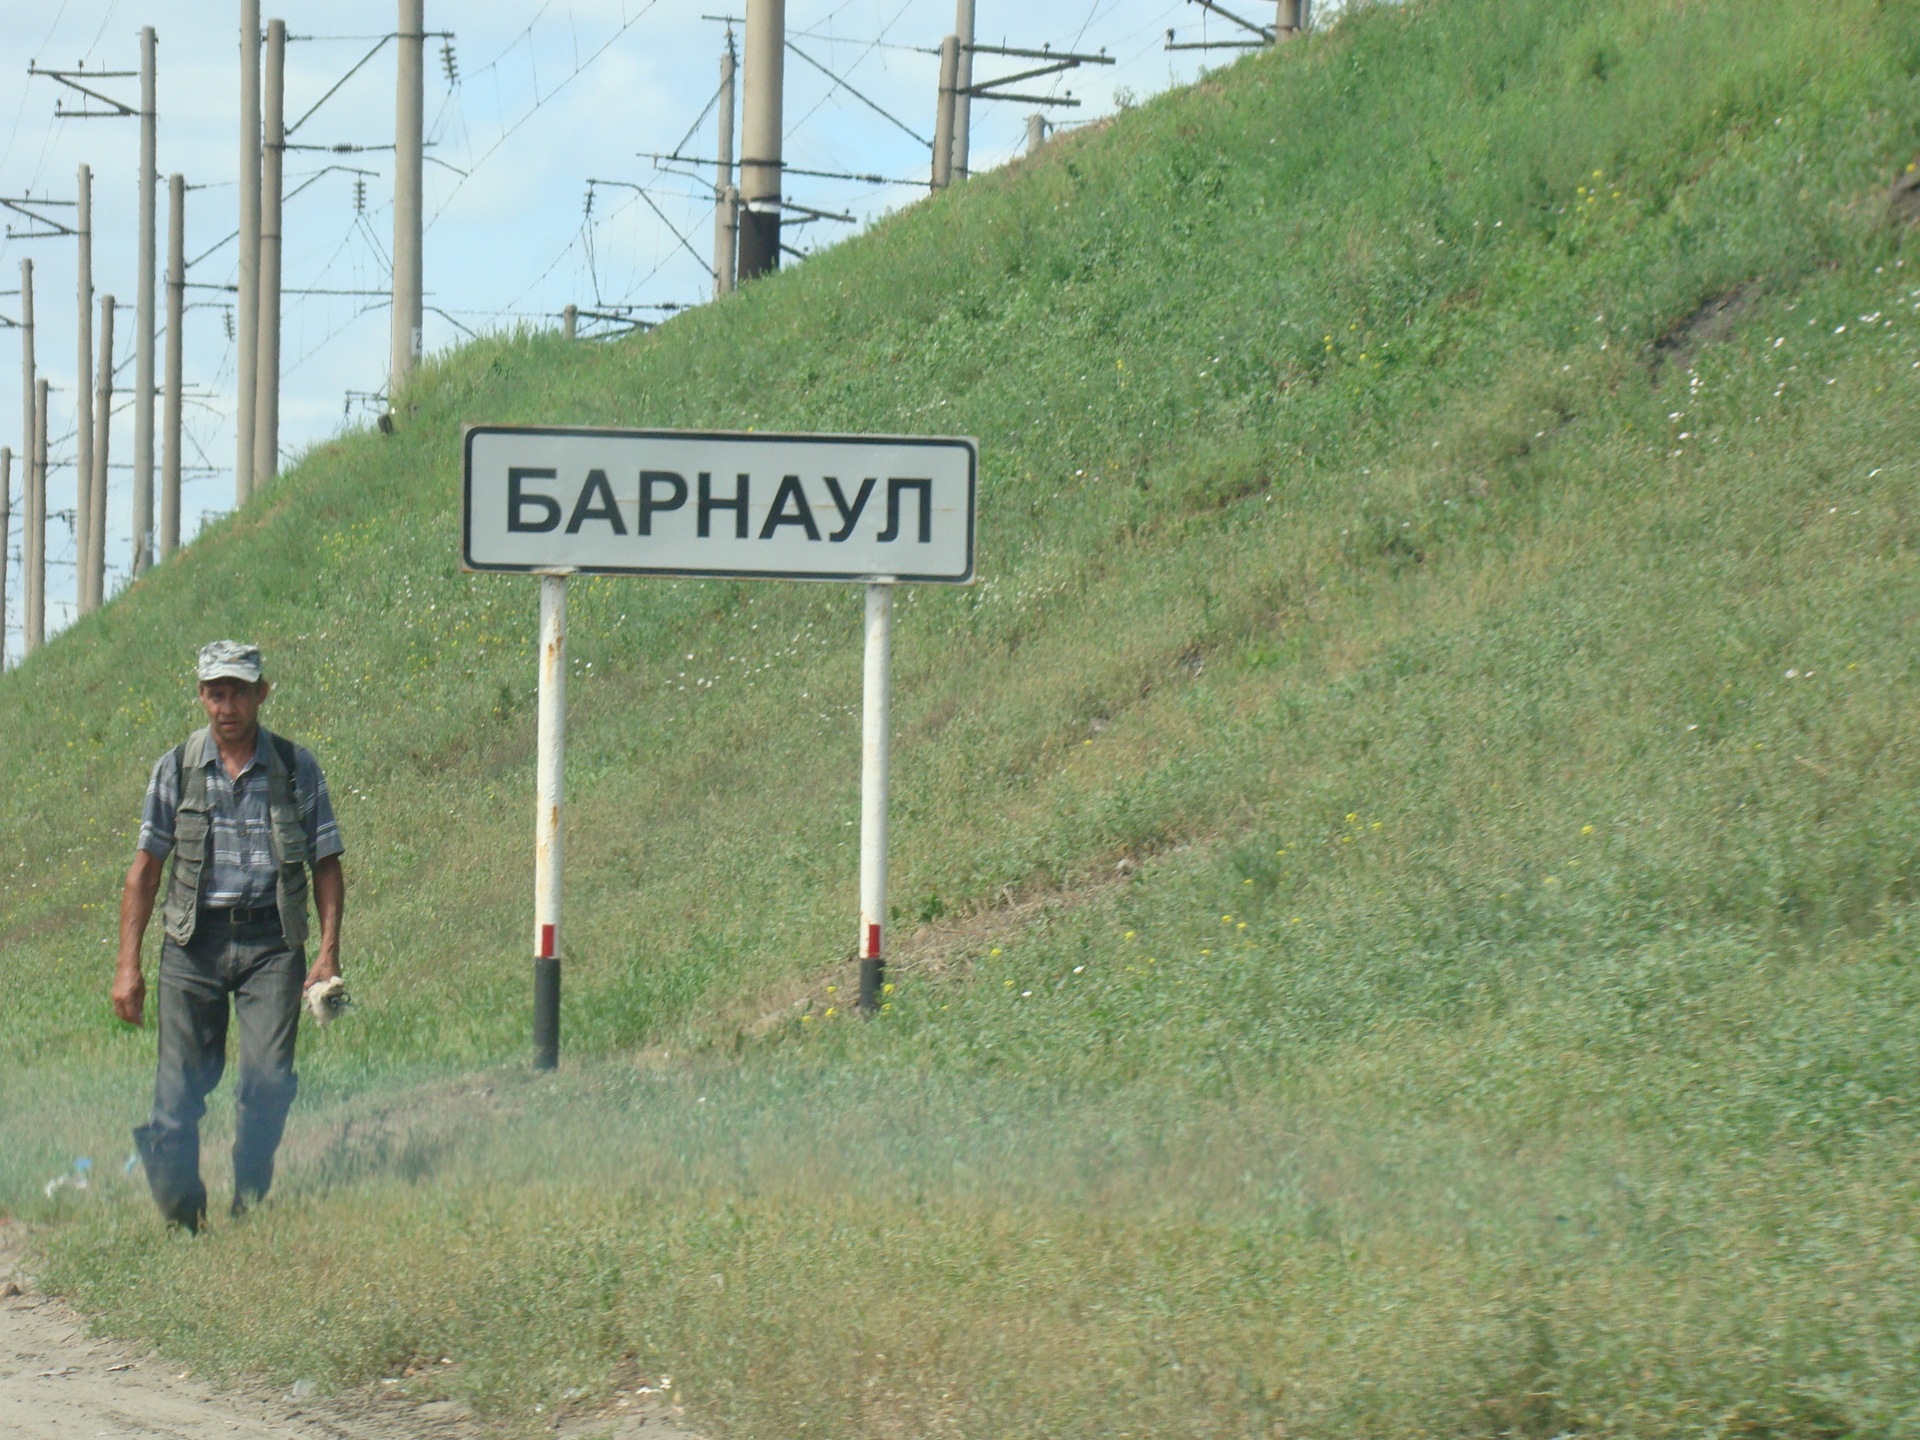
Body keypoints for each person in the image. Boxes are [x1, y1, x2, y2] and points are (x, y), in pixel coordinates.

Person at [111, 640, 345, 1233]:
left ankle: (250, 1199)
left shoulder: (295, 766)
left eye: (238, 691)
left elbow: (325, 862)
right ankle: (184, 1221)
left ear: (261, 694)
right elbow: (145, 870)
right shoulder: (178, 766)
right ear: (201, 697)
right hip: (193, 945)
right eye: (216, 693)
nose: (227, 706)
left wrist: (326, 952)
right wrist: (128, 966)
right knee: (176, 1096)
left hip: (272, 943)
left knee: (269, 1081)